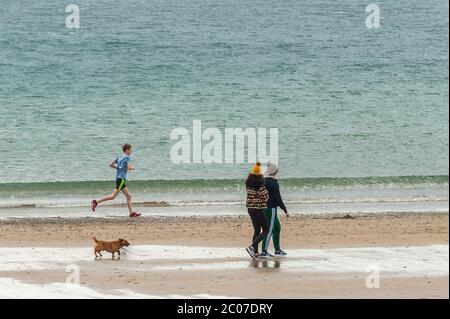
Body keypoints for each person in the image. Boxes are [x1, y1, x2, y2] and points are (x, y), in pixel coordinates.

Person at [91, 144, 141, 217]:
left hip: (118, 179)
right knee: (113, 196)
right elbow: (128, 167)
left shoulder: (119, 157)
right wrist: (132, 168)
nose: (131, 151)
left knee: (129, 196)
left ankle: (131, 213)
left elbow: (110, 164)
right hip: (121, 180)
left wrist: (118, 168)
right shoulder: (127, 158)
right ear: (127, 150)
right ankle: (96, 202)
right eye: (130, 150)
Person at [260, 162, 289, 257]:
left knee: (277, 228)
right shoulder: (274, 183)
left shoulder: (263, 181)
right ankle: (264, 252)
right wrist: (285, 209)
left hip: (263, 208)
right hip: (271, 209)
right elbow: (278, 199)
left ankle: (277, 250)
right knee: (269, 230)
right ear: (275, 172)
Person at [245, 162, 269, 259]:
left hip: (250, 209)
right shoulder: (260, 184)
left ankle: (255, 252)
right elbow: (266, 197)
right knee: (266, 230)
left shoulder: (248, 183)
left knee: (257, 230)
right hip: (258, 209)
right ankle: (252, 247)